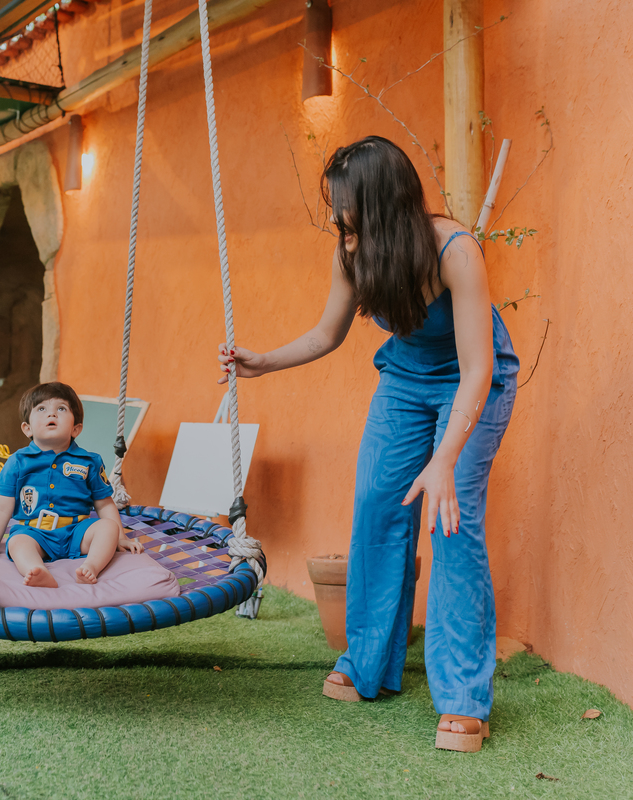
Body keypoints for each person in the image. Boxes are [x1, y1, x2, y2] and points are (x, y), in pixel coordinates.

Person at [217, 136, 519, 752]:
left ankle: (463, 698)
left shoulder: (454, 250)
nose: (335, 219)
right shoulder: (352, 255)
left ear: (381, 202)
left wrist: (442, 461)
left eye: (345, 207)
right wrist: (263, 361)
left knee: (451, 516)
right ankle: (369, 662)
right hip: (406, 382)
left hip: (472, 384)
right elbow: (327, 334)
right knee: (379, 505)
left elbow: (477, 368)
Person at [0, 383, 143, 587]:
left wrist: (121, 537)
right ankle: (35, 570)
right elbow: (2, 508)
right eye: (41, 409)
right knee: (17, 542)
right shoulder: (17, 462)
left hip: (77, 531)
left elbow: (104, 504)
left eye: (61, 409)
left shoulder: (89, 461)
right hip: (35, 532)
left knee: (108, 527)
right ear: (27, 428)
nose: (52, 415)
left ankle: (90, 567)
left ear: (76, 428)